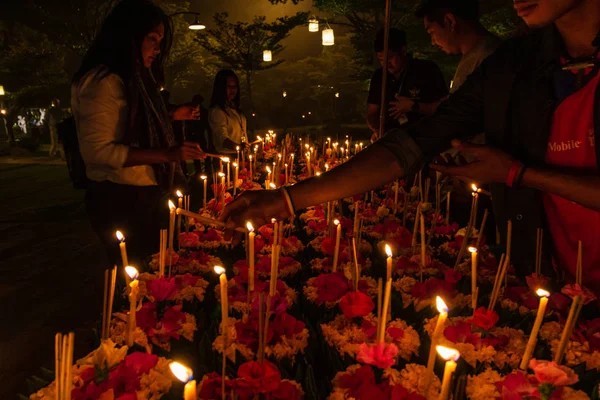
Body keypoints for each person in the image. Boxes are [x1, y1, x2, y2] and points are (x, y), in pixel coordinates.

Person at [222, 0, 600, 293]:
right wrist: (284, 201)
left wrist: (519, 174)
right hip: (552, 277)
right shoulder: (514, 66)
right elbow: (412, 144)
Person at [71, 0, 204, 268]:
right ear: (130, 37)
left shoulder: (134, 80)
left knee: (156, 276)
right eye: (152, 39)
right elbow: (97, 152)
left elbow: (137, 117)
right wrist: (166, 154)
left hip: (143, 197)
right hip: (120, 200)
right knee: (138, 285)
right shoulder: (102, 82)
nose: (157, 48)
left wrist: (172, 114)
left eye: (160, 41)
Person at [367, 28, 448, 137]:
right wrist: (377, 129)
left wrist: (414, 106)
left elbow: (444, 108)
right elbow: (372, 112)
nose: (386, 64)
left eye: (390, 58)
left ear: (403, 51)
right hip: (390, 139)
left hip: (423, 138)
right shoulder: (379, 76)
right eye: (381, 60)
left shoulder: (427, 70)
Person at [208, 70, 248, 154]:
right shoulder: (217, 112)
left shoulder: (235, 109)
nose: (232, 89)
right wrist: (238, 146)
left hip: (240, 155)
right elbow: (222, 139)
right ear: (221, 88)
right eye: (229, 86)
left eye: (235, 86)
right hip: (227, 158)